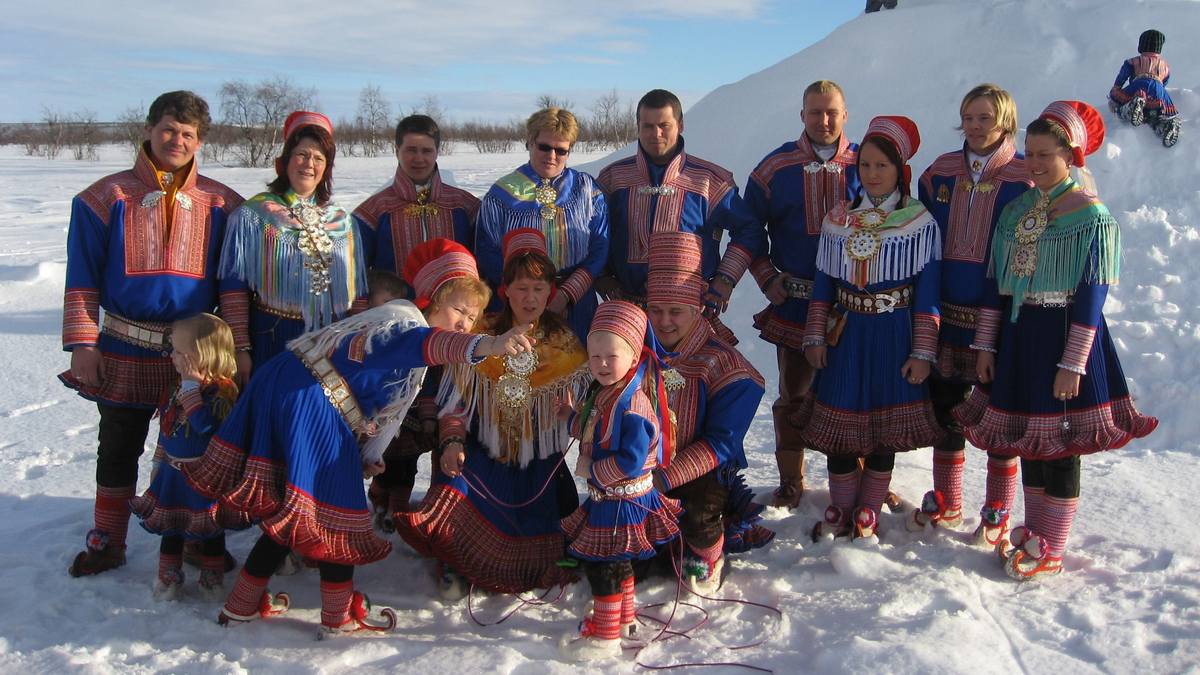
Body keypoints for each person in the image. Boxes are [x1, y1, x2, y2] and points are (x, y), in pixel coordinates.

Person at [181, 241, 536, 636]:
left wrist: (367, 454)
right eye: (458, 309)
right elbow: (430, 346)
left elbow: (377, 411)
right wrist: (486, 344)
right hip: (309, 399)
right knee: (338, 510)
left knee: (301, 506)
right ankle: (336, 615)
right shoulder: (404, 323)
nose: (464, 323)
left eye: (473, 318)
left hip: (298, 390)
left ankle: (242, 603)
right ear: (430, 298)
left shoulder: (398, 330)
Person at [953, 101, 1158, 581]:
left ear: (1071, 156)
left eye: (1046, 154)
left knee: (1062, 442)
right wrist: (986, 346)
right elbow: (994, 284)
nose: (1036, 163)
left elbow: (1092, 296)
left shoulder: (1090, 215)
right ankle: (1036, 528)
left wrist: (1075, 363)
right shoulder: (1017, 210)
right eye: (1029, 154)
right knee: (1030, 437)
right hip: (1021, 336)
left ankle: (1054, 545)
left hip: (1064, 334)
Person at [60, 90, 242, 577]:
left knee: (195, 450)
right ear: (147, 129)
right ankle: (107, 540)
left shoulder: (223, 203)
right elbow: (81, 278)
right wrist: (83, 344)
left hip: (196, 353)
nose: (177, 140)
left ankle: (190, 538)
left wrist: (236, 350)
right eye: (168, 129)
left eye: (188, 134)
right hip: (122, 347)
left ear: (200, 140)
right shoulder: (104, 198)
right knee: (118, 446)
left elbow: (234, 285)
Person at [396, 229, 590, 598]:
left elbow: (586, 413)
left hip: (538, 457)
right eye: (521, 287)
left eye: (539, 287)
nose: (530, 297)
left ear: (551, 290)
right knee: (454, 484)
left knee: (555, 513)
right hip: (482, 450)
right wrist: (452, 440)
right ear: (505, 290)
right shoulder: (480, 335)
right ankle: (456, 558)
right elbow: (453, 403)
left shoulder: (568, 345)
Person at [793, 116, 945, 541]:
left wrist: (923, 352)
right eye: (865, 166)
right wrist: (815, 336)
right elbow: (824, 281)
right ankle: (842, 504)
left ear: (900, 170)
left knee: (883, 431)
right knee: (839, 426)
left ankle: (869, 508)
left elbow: (928, 292)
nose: (873, 175)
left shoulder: (919, 223)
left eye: (882, 166)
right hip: (848, 333)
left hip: (895, 333)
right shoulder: (839, 220)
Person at [908, 84, 1033, 540]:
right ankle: (948, 500)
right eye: (969, 117)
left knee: (999, 415)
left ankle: (997, 509)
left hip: (999, 319)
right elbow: (921, 242)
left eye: (986, 117)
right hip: (946, 315)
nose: (976, 127)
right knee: (946, 411)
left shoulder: (1025, 177)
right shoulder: (938, 172)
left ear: (1005, 121)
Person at [745, 80, 861, 509]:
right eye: (815, 112)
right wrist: (764, 274)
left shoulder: (868, 162)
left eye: (832, 112)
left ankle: (857, 478)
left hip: (854, 304)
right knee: (794, 393)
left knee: (852, 391)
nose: (824, 120)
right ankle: (791, 478)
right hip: (795, 298)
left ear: (845, 114)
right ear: (802, 115)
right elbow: (748, 227)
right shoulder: (776, 167)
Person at [644, 231, 772, 594]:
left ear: (697, 309)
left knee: (698, 513)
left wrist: (664, 479)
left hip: (702, 470)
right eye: (656, 310)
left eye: (676, 312)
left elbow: (721, 443)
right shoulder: (631, 354)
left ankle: (709, 555)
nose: (664, 321)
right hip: (642, 463)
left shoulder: (726, 366)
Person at [557, 300, 681, 661]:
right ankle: (623, 619)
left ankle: (605, 636)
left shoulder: (633, 405)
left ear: (633, 357)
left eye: (611, 356)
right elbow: (592, 427)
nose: (601, 364)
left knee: (605, 564)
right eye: (594, 357)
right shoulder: (604, 394)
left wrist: (593, 471)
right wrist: (569, 418)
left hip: (621, 500)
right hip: (609, 498)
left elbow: (630, 459)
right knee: (619, 561)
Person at [595, 89, 762, 346]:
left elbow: (749, 228)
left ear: (680, 125)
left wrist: (725, 278)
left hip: (688, 315)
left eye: (664, 125)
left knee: (687, 385)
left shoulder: (708, 179)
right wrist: (601, 275)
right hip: (627, 314)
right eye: (648, 126)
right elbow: (591, 231)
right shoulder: (613, 178)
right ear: (638, 127)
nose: (656, 134)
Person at [218, 111, 367, 385]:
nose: (309, 164)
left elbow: (356, 294)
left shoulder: (342, 221)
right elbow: (233, 287)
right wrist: (240, 348)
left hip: (330, 343)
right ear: (285, 160)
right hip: (273, 337)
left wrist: (357, 345)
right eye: (302, 154)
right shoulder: (253, 215)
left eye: (319, 158)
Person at [129, 313, 251, 601]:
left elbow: (204, 425)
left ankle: (211, 580)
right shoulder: (176, 387)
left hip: (206, 477)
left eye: (180, 352)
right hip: (174, 474)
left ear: (203, 355)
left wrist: (191, 386)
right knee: (171, 527)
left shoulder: (222, 390)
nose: (172, 355)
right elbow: (166, 428)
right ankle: (169, 579)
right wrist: (158, 462)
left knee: (211, 529)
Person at [475, 108, 608, 340]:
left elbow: (599, 248)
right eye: (544, 147)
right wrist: (528, 292)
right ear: (529, 142)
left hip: (574, 301)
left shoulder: (587, 190)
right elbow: (486, 252)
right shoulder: (501, 193)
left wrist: (566, 293)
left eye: (561, 150)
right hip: (518, 304)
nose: (552, 156)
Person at [354, 114, 481, 285]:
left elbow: (485, 259)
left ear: (437, 152)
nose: (419, 159)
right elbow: (354, 271)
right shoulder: (375, 210)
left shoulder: (464, 205)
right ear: (397, 150)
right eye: (411, 150)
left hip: (455, 309)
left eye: (427, 151)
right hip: (394, 309)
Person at [362, 269, 438, 529]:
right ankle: (379, 496)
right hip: (380, 421)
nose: (390, 311)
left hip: (410, 420)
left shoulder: (409, 338)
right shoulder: (362, 340)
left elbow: (424, 379)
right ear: (368, 302)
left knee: (408, 467)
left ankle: (396, 510)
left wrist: (428, 416)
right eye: (384, 303)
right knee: (386, 466)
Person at [1108, 29, 1181, 147]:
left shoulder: (1134, 61)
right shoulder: (1165, 65)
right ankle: (1165, 125)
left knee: (1119, 106)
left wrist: (1116, 89)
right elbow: (1164, 81)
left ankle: (1131, 108)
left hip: (1139, 85)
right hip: (1158, 89)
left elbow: (1123, 75)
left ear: (1141, 45)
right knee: (1154, 115)